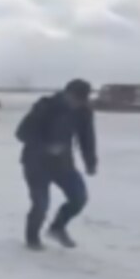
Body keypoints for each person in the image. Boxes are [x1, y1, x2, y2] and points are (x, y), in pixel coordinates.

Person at [15, 79, 98, 251]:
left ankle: (57, 228)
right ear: (66, 94)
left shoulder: (83, 112)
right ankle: (32, 240)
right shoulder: (45, 106)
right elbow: (21, 133)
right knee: (41, 204)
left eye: (82, 100)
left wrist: (90, 161)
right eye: (75, 99)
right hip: (35, 163)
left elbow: (87, 138)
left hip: (63, 164)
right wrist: (46, 146)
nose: (77, 103)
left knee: (78, 198)